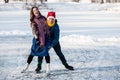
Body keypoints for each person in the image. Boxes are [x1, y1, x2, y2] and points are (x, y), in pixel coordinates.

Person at [21, 7, 50, 74]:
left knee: (45, 52)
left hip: (45, 38)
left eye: (36, 9)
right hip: (38, 39)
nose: (36, 11)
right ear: (33, 13)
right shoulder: (33, 20)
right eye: (34, 10)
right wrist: (36, 37)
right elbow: (33, 29)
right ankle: (26, 67)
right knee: (32, 53)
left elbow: (48, 25)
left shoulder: (43, 18)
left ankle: (48, 68)